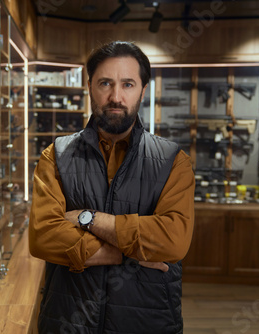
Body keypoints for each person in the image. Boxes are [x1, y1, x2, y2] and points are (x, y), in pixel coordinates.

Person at [29, 41, 195, 334]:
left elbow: (174, 241)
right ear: (90, 86)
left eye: (128, 84)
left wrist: (88, 218)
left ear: (143, 90)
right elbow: (42, 236)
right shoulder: (56, 155)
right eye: (105, 83)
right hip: (68, 320)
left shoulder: (173, 162)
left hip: (147, 322)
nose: (116, 97)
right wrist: (131, 254)